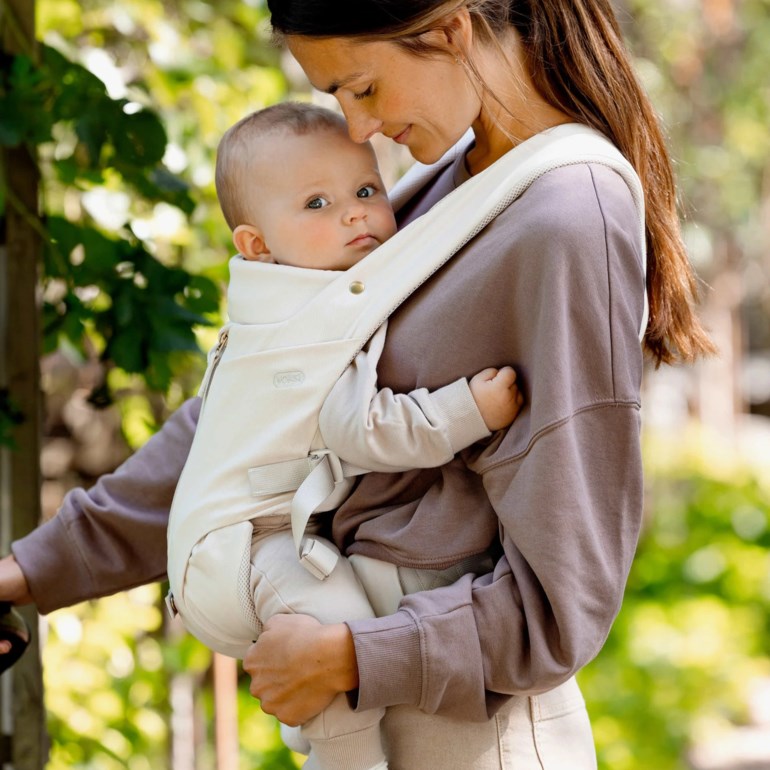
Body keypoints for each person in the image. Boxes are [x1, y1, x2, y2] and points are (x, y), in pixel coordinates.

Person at [1, 0, 717, 767]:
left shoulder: (565, 217)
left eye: (364, 88)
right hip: (371, 702)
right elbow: (256, 415)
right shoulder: (445, 186)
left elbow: (562, 603)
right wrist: (27, 571)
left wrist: (350, 655)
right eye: (335, 97)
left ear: (450, 30)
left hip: (467, 734)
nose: (356, 129)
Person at [168, 100, 522, 770]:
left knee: (335, 635)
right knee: (335, 635)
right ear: (257, 244)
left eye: (365, 191)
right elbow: (363, 429)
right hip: (240, 547)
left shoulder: (281, 296)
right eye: (317, 204)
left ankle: (314, 730)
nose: (355, 213)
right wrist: (467, 412)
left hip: (245, 533)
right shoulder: (308, 322)